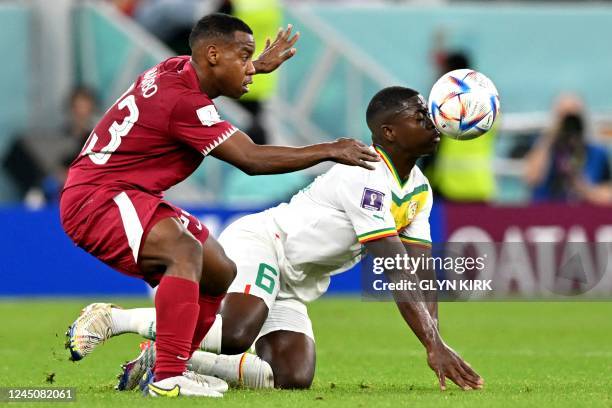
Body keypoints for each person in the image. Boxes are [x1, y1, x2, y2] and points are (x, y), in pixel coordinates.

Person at [67, 87, 483, 393]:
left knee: (291, 377)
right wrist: (432, 345)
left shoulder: (420, 190)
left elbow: (419, 271)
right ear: (389, 132)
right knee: (236, 333)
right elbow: (395, 267)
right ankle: (116, 319)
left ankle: (168, 358)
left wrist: (438, 340)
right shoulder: (365, 175)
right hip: (265, 244)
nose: (432, 122)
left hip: (294, 283)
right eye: (420, 116)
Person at [61, 13, 378, 398]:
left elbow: (212, 81)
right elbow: (252, 160)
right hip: (99, 199)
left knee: (219, 271)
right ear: (212, 55)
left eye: (250, 60)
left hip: (125, 193)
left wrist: (254, 67)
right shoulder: (184, 102)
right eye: (244, 57)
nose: (250, 68)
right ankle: (166, 378)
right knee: (183, 251)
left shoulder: (175, 68)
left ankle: (168, 365)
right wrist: (330, 149)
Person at [523, 93, 611, 202]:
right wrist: (550, 136)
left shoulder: (597, 153)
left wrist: (585, 189)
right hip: (546, 213)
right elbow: (531, 178)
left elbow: (608, 196)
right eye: (564, 116)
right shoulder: (542, 147)